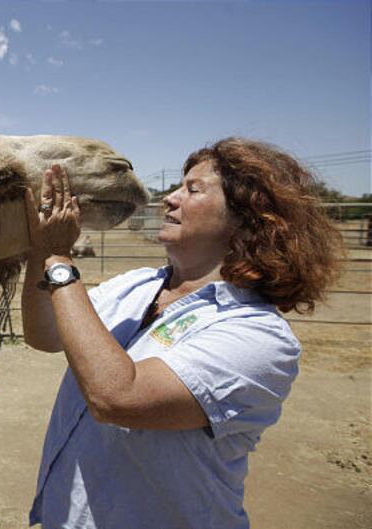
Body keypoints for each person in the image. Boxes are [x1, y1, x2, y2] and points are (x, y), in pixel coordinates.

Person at [22, 138, 344, 529]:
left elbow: (117, 397)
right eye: (179, 185)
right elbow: (44, 335)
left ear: (248, 216)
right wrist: (39, 250)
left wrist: (59, 260)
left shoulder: (258, 336)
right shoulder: (135, 285)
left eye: (193, 189)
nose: (169, 199)